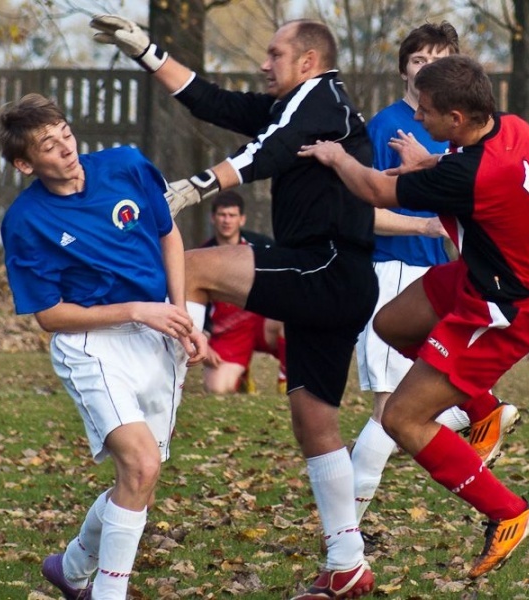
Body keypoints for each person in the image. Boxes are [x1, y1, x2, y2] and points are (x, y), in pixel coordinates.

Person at [91, 15, 379, 598]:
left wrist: (193, 187)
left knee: (192, 270)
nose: (263, 63)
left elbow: (263, 154)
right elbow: (211, 101)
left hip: (327, 268)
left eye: (274, 54)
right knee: (314, 422)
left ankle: (157, 425)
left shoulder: (324, 99)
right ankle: (347, 561)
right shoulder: (293, 103)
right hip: (330, 275)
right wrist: (146, 50)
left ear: (307, 61)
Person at [299, 54, 529, 579]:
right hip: (484, 275)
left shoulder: (470, 174)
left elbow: (374, 189)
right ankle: (482, 408)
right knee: (392, 325)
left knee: (402, 417)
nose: (416, 119)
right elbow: (473, 170)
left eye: (425, 112)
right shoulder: (514, 128)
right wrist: (431, 161)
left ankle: (507, 514)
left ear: (458, 119)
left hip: (503, 308)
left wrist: (334, 156)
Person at [0, 93, 208, 600]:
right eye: (49, 145)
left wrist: (177, 314)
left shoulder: (127, 165)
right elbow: (50, 315)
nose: (66, 147)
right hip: (89, 342)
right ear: (26, 163)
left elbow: (168, 235)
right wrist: (138, 309)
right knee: (139, 465)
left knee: (140, 479)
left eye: (65, 133)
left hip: (156, 333)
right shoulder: (25, 221)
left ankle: (71, 570)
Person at [351, 22, 518, 528]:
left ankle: (345, 538)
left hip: (440, 276)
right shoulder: (384, 126)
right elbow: (366, 209)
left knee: (392, 414)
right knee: (400, 408)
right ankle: (476, 409)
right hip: (391, 270)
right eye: (420, 60)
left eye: (440, 60)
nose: (428, 68)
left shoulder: (462, 126)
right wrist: (427, 220)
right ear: (404, 67)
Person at [199, 191, 287, 395]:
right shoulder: (202, 255)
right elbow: (193, 301)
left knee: (291, 318)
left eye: (232, 215)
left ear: (242, 219)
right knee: (217, 389)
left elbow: (287, 279)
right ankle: (242, 374)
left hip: (262, 321)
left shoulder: (262, 246)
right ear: (213, 218)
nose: (227, 220)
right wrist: (203, 340)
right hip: (228, 331)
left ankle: (286, 380)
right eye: (222, 215)